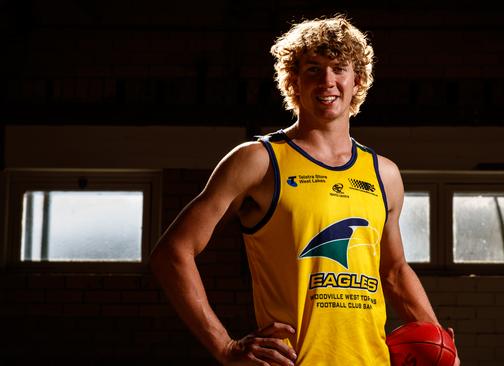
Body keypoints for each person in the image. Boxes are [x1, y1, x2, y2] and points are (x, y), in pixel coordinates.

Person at [150, 15, 460, 366]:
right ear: (293, 81)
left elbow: (393, 270)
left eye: (339, 68)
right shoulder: (259, 161)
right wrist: (225, 346)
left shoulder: (383, 173)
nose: (327, 81)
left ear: (357, 80)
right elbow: (173, 253)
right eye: (313, 69)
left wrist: (438, 340)